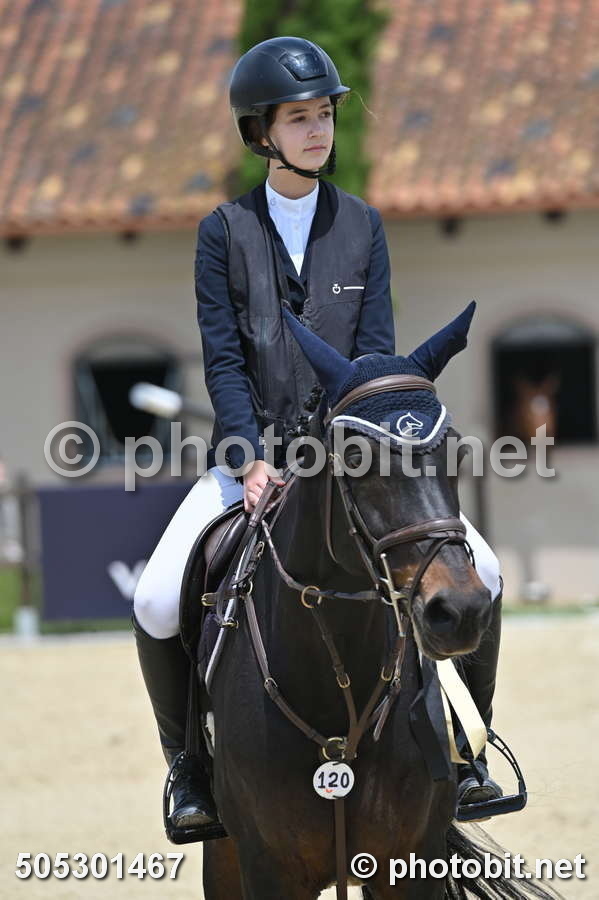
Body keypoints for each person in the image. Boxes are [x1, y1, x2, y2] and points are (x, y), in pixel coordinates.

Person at [132, 36, 503, 837]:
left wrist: (361, 447)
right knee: (157, 597)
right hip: (252, 458)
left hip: (354, 460)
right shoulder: (223, 232)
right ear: (261, 132)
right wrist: (247, 459)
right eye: (298, 118)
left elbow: (372, 357)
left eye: (325, 115)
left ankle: (469, 752)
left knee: (487, 571)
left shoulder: (362, 225)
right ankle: (190, 768)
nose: (317, 131)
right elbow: (223, 357)